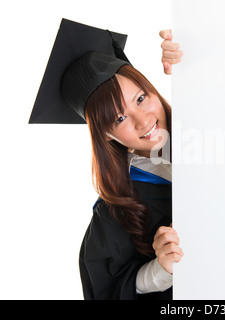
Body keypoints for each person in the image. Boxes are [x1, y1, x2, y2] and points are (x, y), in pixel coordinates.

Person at [29, 19, 184, 300]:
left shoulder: (208, 125)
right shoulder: (117, 212)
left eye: (140, 98)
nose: (144, 120)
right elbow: (108, 291)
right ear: (107, 135)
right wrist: (161, 269)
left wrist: (198, 55)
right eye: (120, 118)